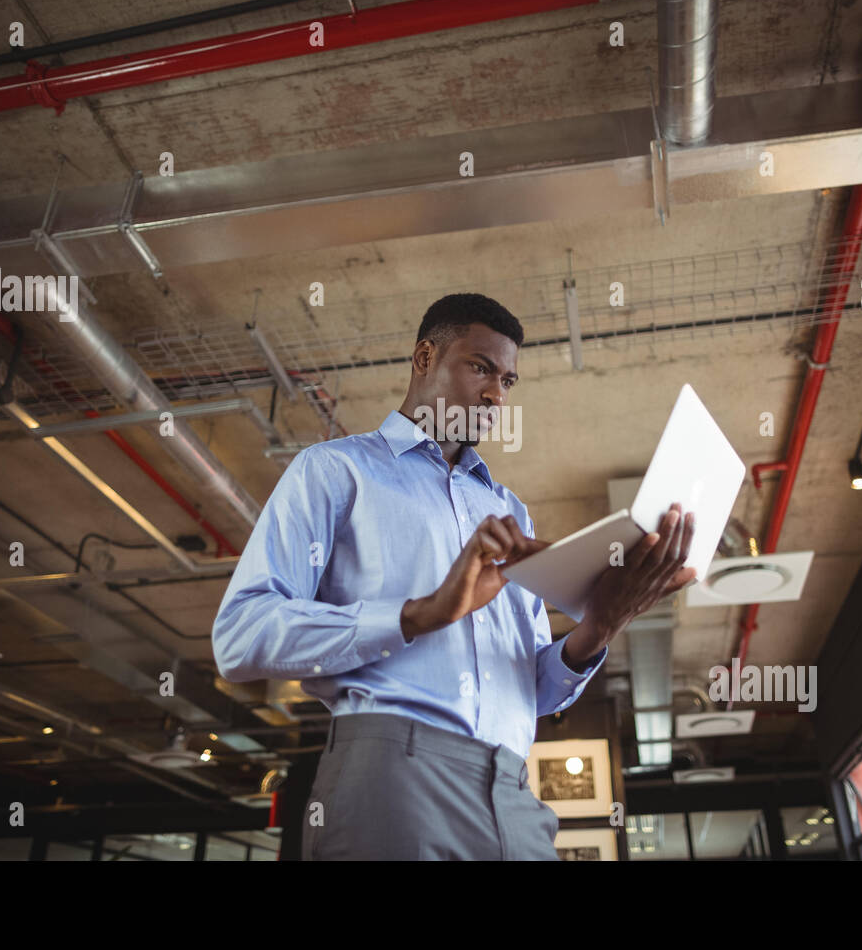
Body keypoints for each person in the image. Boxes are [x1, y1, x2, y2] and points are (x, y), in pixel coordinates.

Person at [212, 292, 696, 860]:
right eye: (480, 368)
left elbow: (532, 689)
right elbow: (240, 635)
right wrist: (422, 613)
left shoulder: (510, 510)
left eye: (508, 381)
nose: (496, 393)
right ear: (424, 358)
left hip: (514, 790)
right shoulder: (336, 470)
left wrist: (602, 626)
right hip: (396, 772)